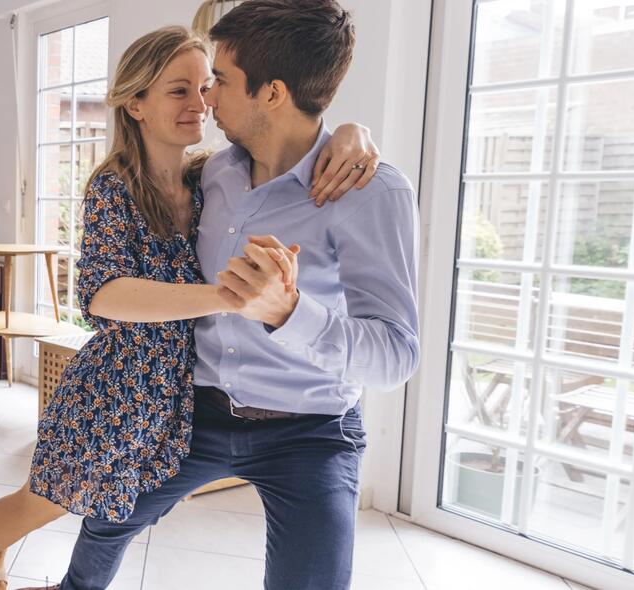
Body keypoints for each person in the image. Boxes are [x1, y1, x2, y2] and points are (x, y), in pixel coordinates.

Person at [0, 23, 382, 590]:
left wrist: (351, 131)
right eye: (178, 90)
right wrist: (231, 298)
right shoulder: (114, 187)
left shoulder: (209, 176)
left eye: (207, 87)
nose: (201, 103)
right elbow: (102, 296)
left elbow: (296, 137)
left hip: (173, 397)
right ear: (135, 103)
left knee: (95, 507)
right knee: (47, 498)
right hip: (114, 387)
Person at [38, 1, 421, 589]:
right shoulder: (214, 173)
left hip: (311, 433)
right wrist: (350, 128)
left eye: (219, 80)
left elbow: (396, 354)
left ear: (271, 94)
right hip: (201, 414)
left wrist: (290, 313)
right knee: (104, 524)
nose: (206, 97)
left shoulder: (369, 192)